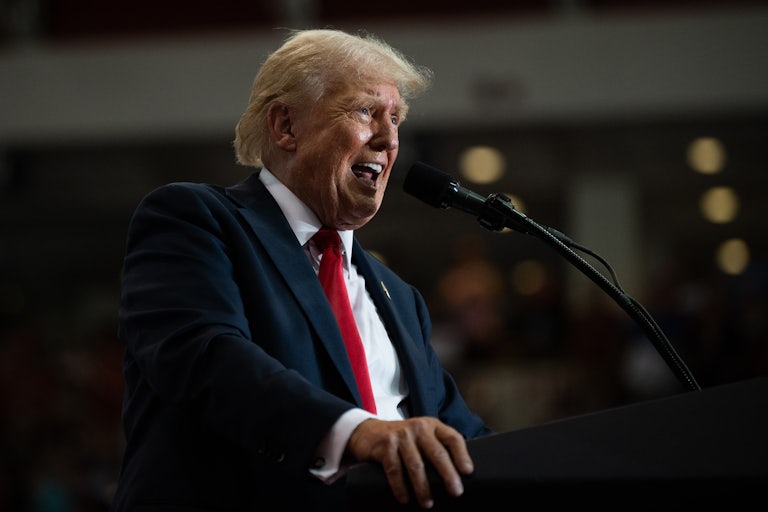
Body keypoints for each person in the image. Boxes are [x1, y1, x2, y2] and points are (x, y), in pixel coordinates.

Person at [112, 28, 492, 511]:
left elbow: (463, 440)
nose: (389, 138)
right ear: (285, 126)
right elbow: (207, 359)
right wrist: (357, 432)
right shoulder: (195, 221)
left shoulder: (401, 298)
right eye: (364, 111)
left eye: (395, 119)